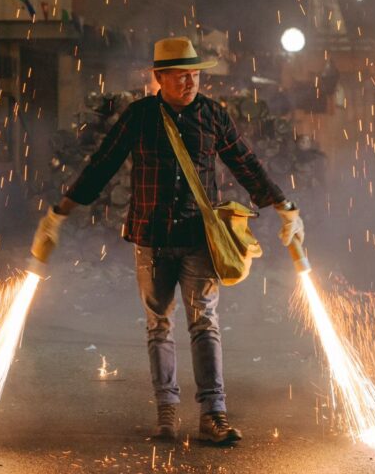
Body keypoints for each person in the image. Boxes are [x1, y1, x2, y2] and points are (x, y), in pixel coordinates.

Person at [31, 37, 304, 445]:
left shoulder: (213, 115)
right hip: (152, 238)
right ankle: (167, 413)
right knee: (159, 326)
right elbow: (101, 165)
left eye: (194, 74)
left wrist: (284, 206)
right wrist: (60, 212)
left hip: (200, 238)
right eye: (180, 75)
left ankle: (214, 414)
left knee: (205, 323)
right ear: (159, 78)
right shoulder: (139, 116)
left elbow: (245, 162)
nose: (190, 81)